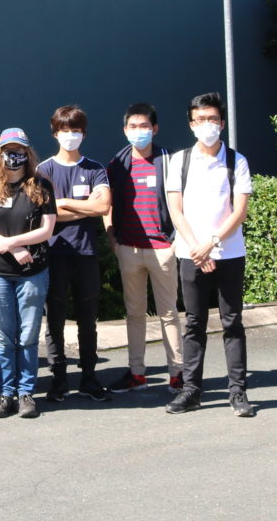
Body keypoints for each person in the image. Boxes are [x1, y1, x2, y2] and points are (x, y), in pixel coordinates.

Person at [164, 92, 254, 417]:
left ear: (222, 123)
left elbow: (239, 210)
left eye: (213, 119)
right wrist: (197, 249)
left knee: (232, 322)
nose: (207, 125)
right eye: (201, 120)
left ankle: (238, 392)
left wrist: (212, 242)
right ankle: (191, 391)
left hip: (229, 253)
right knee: (194, 322)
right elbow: (176, 210)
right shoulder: (179, 161)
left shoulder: (236, 161)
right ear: (191, 124)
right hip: (191, 255)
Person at [0, 128, 56, 419]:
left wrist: (13, 242)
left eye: (19, 150)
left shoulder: (41, 185)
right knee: (2, 337)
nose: (14, 155)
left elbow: (47, 229)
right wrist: (12, 249)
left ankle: (26, 393)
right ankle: (5, 393)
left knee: (28, 335)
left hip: (32, 273)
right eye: (8, 150)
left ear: (27, 152)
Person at [104, 102, 182, 392]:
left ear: (155, 128)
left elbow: (179, 204)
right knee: (134, 312)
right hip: (129, 249)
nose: (139, 132)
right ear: (125, 130)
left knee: (169, 312)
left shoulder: (169, 161)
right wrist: (112, 238)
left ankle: (178, 373)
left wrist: (174, 241)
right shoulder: (118, 164)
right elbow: (106, 203)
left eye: (144, 126)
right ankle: (136, 373)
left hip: (163, 248)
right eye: (133, 127)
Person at [38, 105, 112, 404]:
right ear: (55, 132)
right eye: (65, 130)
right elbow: (45, 213)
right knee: (54, 319)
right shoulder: (43, 169)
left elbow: (103, 207)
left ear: (84, 132)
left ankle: (89, 377)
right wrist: (80, 205)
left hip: (86, 253)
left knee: (87, 318)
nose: (71, 136)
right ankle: (58, 378)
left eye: (76, 130)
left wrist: (64, 203)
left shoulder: (95, 168)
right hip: (53, 253)